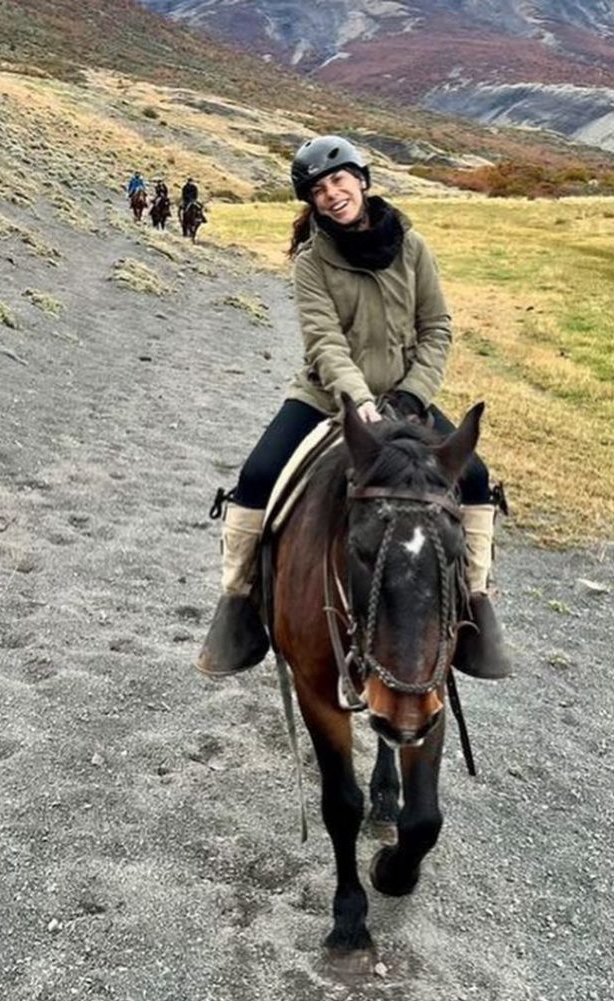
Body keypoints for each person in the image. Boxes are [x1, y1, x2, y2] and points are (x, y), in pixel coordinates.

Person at [196, 134, 510, 680]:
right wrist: (358, 400)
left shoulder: (412, 247)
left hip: (406, 398)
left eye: (339, 180)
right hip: (325, 397)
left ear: (361, 179)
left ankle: (476, 602)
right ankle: (238, 603)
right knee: (257, 476)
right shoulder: (311, 263)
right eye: (318, 190)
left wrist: (410, 395)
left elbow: (436, 327)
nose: (332, 194)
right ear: (311, 202)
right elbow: (324, 343)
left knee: (476, 479)